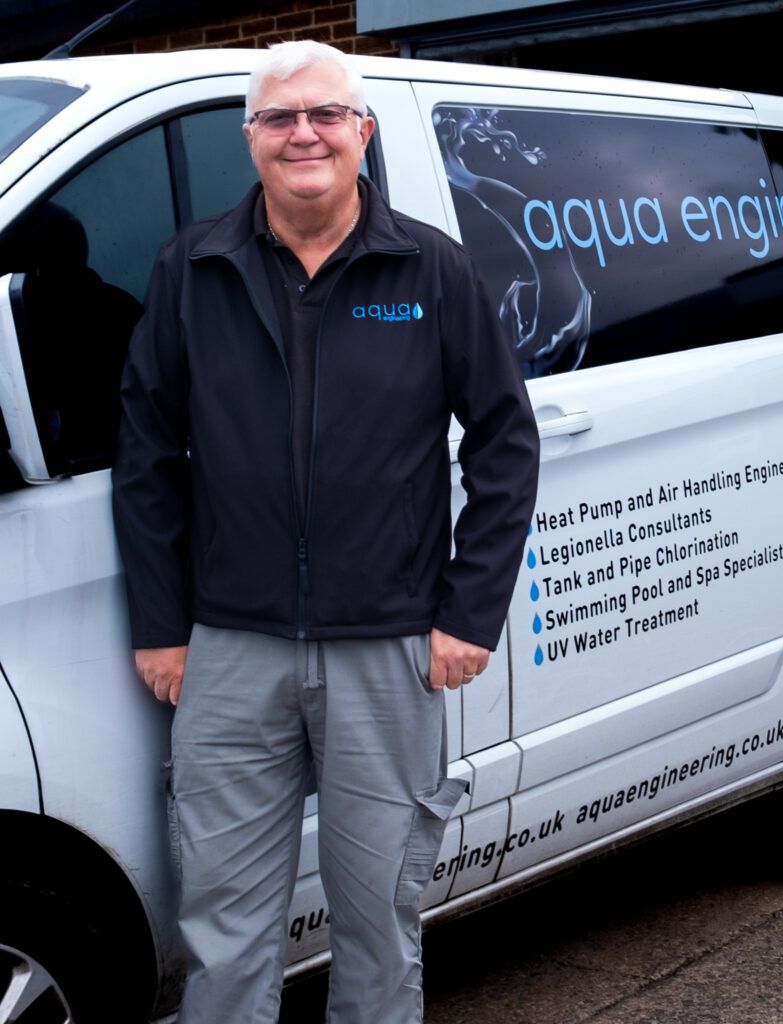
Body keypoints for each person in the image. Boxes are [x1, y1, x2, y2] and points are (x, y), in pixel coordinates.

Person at [112, 40, 539, 1024]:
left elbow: (505, 444)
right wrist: (161, 623)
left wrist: (469, 612)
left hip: (388, 646)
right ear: (250, 140)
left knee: (380, 921)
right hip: (229, 648)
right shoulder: (192, 270)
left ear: (362, 133)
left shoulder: (430, 268)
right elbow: (145, 461)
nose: (302, 131)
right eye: (278, 117)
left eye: (324, 114)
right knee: (222, 927)